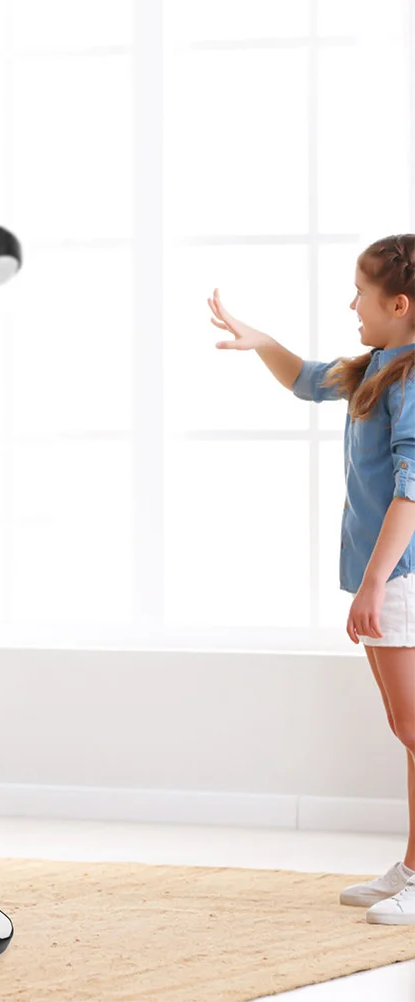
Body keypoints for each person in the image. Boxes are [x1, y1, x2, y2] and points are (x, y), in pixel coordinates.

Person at [208, 234, 415, 925]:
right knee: (405, 726)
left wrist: (375, 583)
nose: (351, 302)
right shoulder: (377, 367)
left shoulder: (410, 379)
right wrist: (260, 338)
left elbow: (412, 492)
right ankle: (413, 864)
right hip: (387, 578)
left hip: (402, 577)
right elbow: (305, 379)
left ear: (400, 303)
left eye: (360, 293)